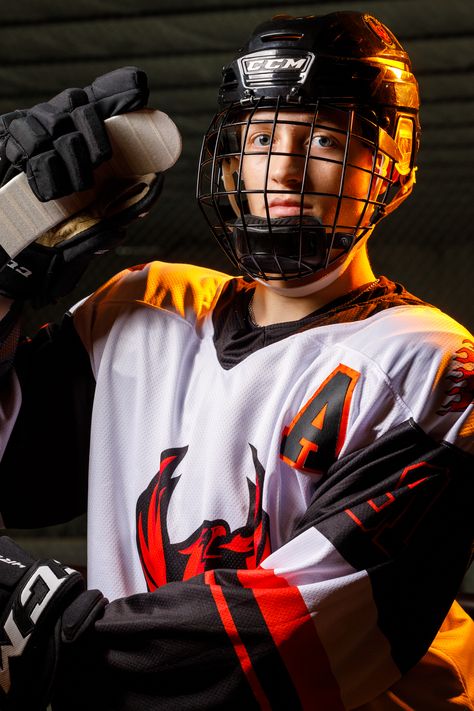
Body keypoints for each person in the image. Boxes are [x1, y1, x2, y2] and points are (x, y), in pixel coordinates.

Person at [0, 10, 472, 711]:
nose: (281, 166)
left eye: (322, 139)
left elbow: (288, 644)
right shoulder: (141, 307)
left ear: (392, 171)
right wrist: (3, 286)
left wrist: (52, 638)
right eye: (260, 136)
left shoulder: (430, 367)